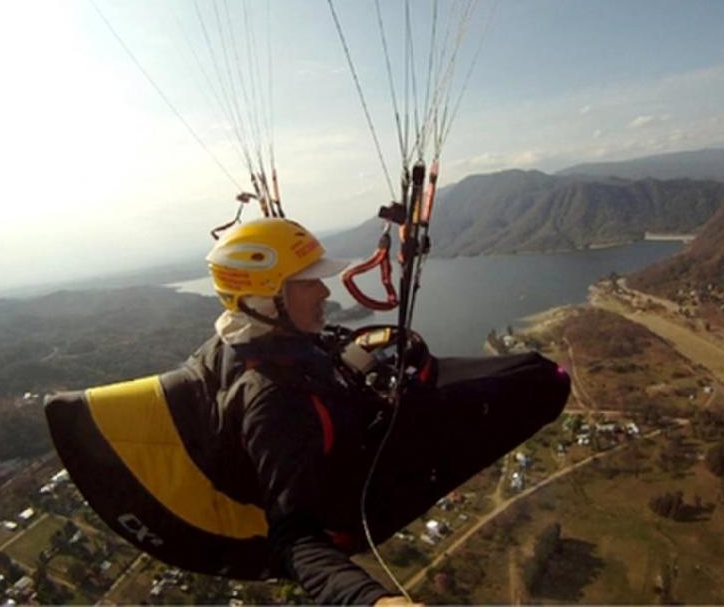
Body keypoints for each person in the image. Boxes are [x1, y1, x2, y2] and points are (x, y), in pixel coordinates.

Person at [45, 218, 570, 604]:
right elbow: (294, 540)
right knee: (540, 385)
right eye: (308, 282)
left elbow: (310, 360)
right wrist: (373, 601)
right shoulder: (272, 404)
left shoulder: (250, 338)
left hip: (357, 418)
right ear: (267, 297)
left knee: (526, 372)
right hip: (366, 479)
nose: (325, 289)